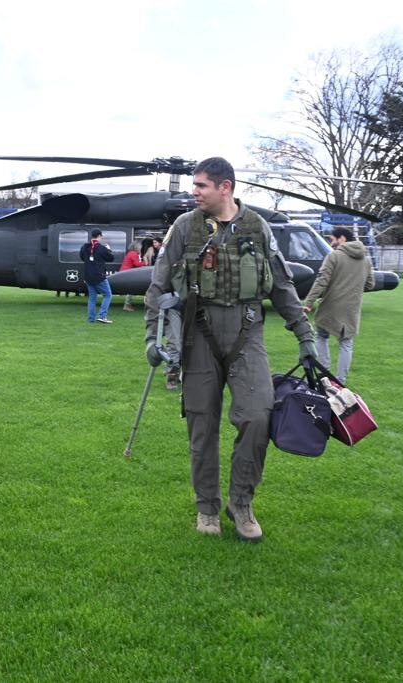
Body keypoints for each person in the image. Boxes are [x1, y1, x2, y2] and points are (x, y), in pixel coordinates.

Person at [144, 157, 318, 541]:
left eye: (201, 185)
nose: (194, 192)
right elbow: (158, 287)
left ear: (225, 187)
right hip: (199, 335)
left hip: (247, 333)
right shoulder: (184, 228)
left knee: (257, 417)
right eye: (194, 185)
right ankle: (206, 505)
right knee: (201, 425)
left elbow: (283, 288)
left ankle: (241, 502)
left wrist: (304, 337)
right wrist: (152, 340)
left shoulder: (258, 228)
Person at [301, 226, 375, 384]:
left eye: (332, 239)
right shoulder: (366, 260)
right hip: (351, 309)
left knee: (321, 336)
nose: (331, 243)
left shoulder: (333, 256)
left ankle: (324, 373)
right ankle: (341, 381)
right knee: (346, 344)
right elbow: (370, 285)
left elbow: (321, 281)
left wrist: (308, 303)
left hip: (330, 306)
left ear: (342, 238)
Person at [79, 228, 115, 324]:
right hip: (99, 276)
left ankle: (91, 319)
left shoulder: (85, 247)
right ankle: (102, 316)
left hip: (88, 276)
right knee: (108, 295)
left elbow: (82, 258)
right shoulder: (102, 248)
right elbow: (111, 258)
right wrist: (109, 249)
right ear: (99, 236)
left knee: (92, 298)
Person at [119, 242, 147, 311]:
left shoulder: (131, 253)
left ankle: (128, 304)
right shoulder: (133, 254)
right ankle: (127, 305)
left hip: (125, 272)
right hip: (127, 273)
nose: (141, 248)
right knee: (130, 289)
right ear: (136, 247)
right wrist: (145, 263)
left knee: (131, 289)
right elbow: (137, 264)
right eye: (140, 247)